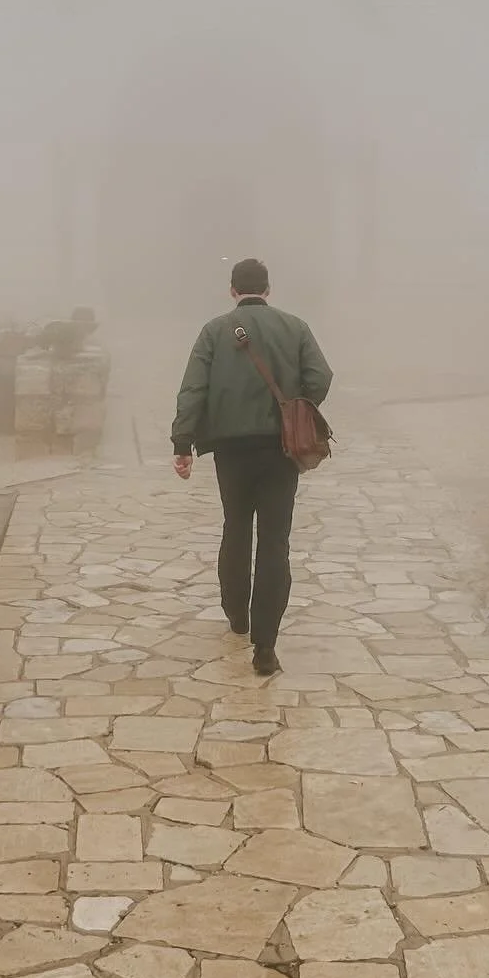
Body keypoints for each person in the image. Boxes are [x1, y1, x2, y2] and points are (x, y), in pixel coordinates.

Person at [170, 258, 333, 676]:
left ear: (232, 290)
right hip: (281, 449)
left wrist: (182, 442)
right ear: (268, 289)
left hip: (231, 449)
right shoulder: (295, 327)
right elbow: (320, 376)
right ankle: (266, 646)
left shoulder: (214, 331)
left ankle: (237, 615)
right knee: (275, 541)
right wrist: (296, 409)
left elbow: (193, 388)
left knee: (236, 527)